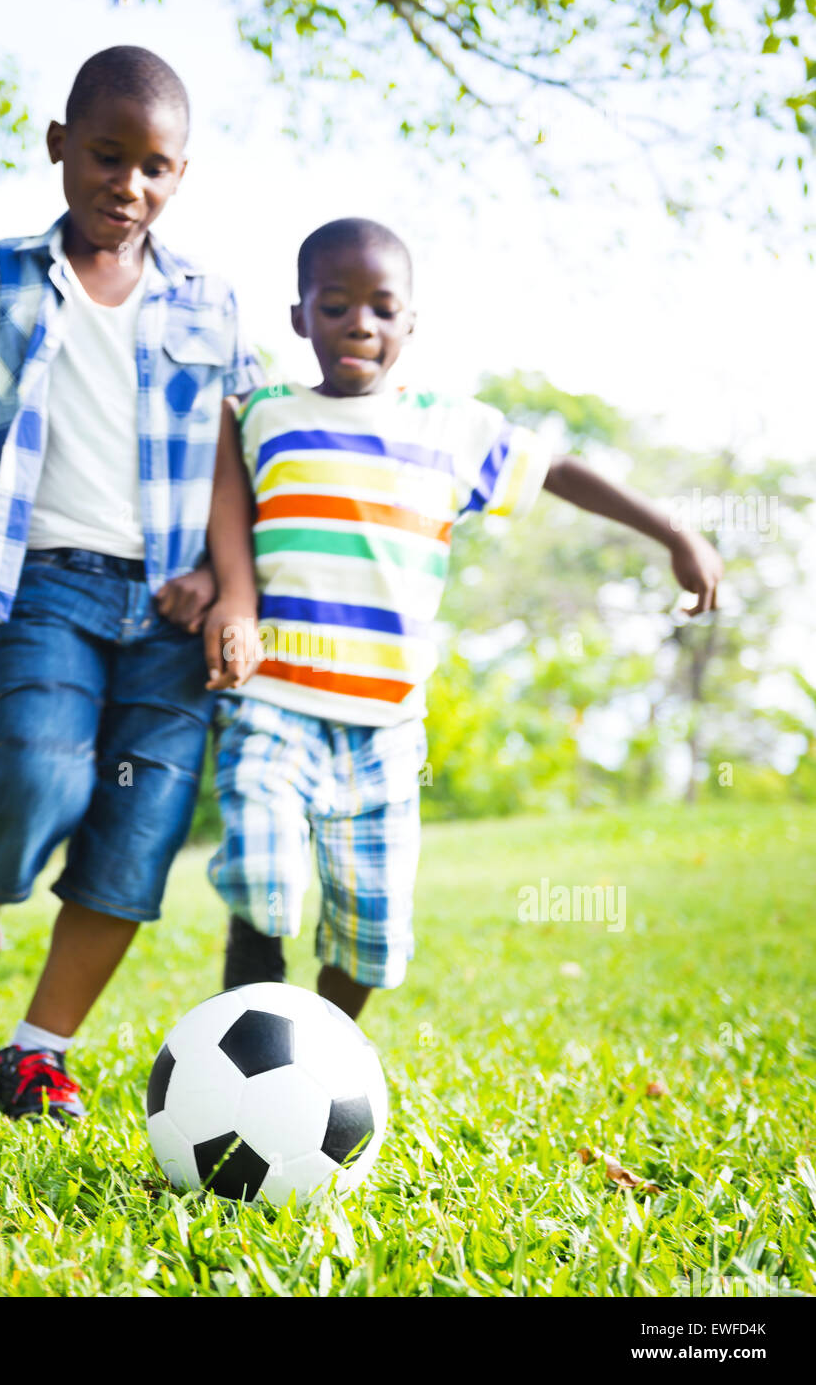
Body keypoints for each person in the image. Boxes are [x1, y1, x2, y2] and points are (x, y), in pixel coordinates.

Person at [0, 46, 262, 1121]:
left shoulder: (210, 301)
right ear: (60, 147)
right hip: (51, 592)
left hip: (172, 614)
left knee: (137, 836)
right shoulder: (1, 277)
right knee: (36, 782)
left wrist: (232, 595)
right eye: (108, 156)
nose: (128, 184)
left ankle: (35, 1052)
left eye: (155, 168)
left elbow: (227, 461)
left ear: (181, 176)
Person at [208, 216, 723, 1020]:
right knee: (265, 870)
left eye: (382, 308)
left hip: (386, 725)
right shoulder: (263, 413)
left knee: (370, 934)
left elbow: (555, 468)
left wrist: (673, 531)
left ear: (411, 323)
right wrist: (207, 591)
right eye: (335, 304)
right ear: (299, 317)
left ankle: (322, 1050)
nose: (360, 324)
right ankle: (254, 969)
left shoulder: (451, 427)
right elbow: (218, 508)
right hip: (276, 697)